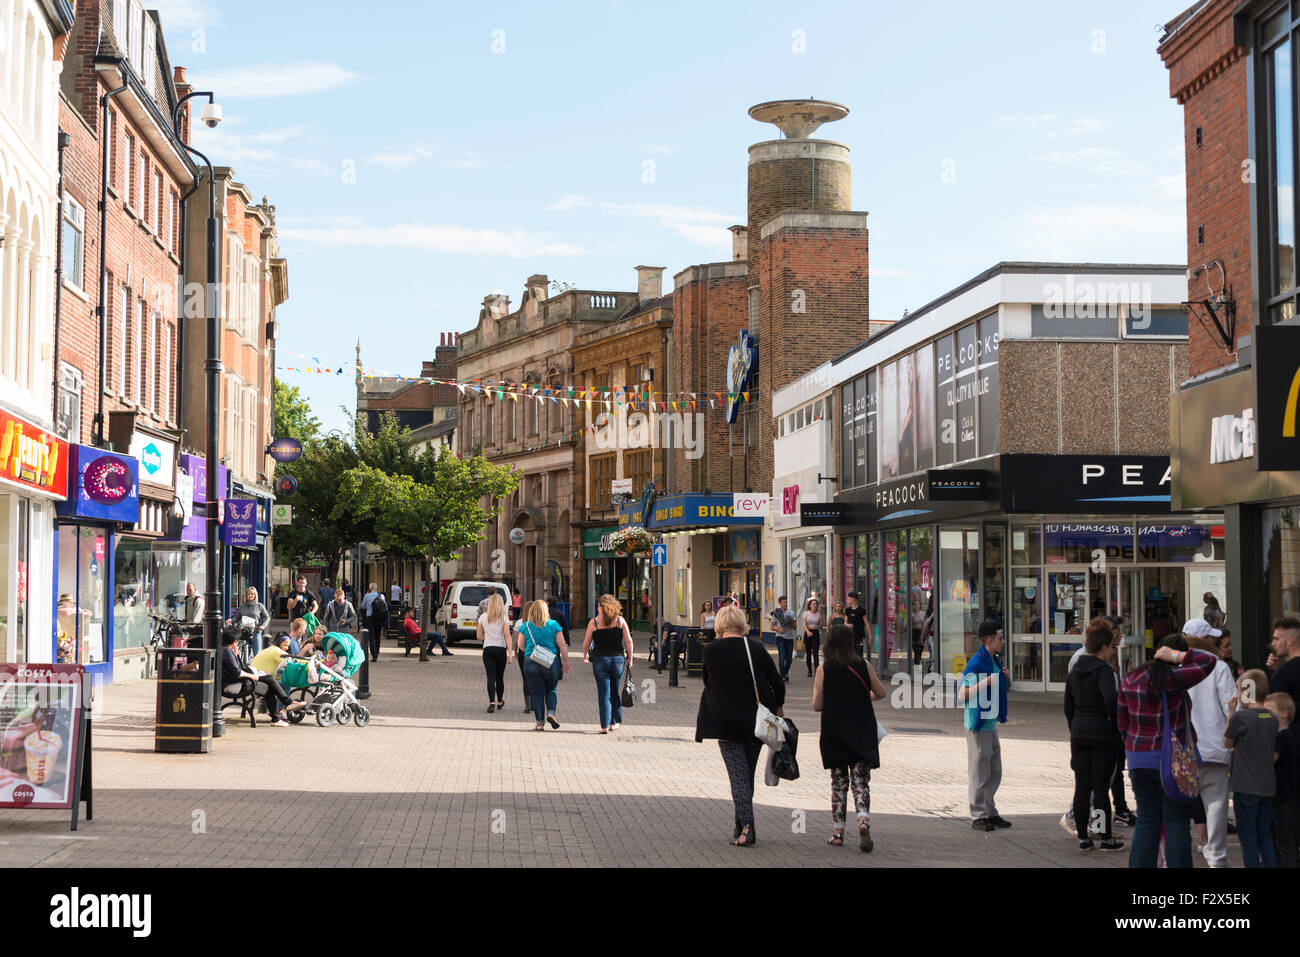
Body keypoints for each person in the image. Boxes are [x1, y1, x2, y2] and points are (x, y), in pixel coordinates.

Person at [1117, 635, 1217, 868]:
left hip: (1138, 758)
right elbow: (1208, 661)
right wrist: (1176, 656)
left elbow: (1122, 723)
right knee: (1177, 823)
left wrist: (1134, 748)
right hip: (1172, 762)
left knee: (1147, 820)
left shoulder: (1131, 678)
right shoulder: (1174, 678)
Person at [695, 604, 784, 848]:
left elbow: (707, 681)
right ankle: (740, 824)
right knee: (746, 776)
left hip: (725, 722)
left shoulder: (711, 651)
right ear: (741, 623)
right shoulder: (755, 648)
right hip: (755, 722)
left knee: (738, 777)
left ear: (720, 624)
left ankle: (747, 827)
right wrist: (778, 705)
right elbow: (777, 681)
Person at [813, 623, 884, 852]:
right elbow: (880, 692)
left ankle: (838, 832)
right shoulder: (863, 665)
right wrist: (862, 697)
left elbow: (817, 705)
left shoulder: (824, 669)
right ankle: (863, 820)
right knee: (861, 780)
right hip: (861, 728)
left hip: (835, 730)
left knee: (839, 781)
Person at [1064, 619, 1124, 852]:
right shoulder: (1104, 671)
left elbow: (1068, 705)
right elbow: (1111, 699)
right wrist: (1113, 723)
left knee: (1082, 786)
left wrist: (1074, 728)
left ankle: (1082, 837)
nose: (1112, 651)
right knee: (1100, 787)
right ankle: (1104, 835)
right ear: (1104, 647)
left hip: (1079, 731)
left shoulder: (1076, 670)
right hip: (1100, 733)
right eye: (1112, 647)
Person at [1184, 619, 1235, 868]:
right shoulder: (1220, 667)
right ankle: (1216, 857)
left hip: (1183, 748)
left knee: (1179, 805)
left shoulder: (1176, 665)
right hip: (1214, 745)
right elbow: (1230, 707)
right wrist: (1231, 737)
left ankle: (1178, 852)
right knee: (1216, 804)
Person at [959, 619, 1011, 832]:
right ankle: (979, 815)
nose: (1003, 641)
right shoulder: (977, 664)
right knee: (979, 771)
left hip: (989, 721)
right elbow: (961, 695)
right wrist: (985, 682)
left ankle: (989, 811)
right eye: (1000, 638)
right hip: (977, 724)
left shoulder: (994, 659)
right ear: (990, 640)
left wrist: (1001, 676)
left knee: (994, 770)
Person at [1226, 669, 1279, 868]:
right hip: (1267, 785)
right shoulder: (1272, 718)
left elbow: (1227, 742)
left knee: (1248, 837)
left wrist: (1231, 714)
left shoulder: (1242, 718)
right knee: (1264, 834)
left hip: (1245, 786)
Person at [582, 595, 634, 734]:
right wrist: (631, 658)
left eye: (599, 605)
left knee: (604, 694)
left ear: (602, 607)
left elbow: (586, 643)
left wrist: (585, 654)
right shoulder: (619, 621)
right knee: (614, 690)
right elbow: (628, 641)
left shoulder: (594, 623)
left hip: (600, 660)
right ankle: (614, 722)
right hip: (617, 660)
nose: (598, 607)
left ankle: (604, 726)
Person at [220, 625, 291, 725]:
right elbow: (238, 672)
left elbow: (241, 667)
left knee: (269, 683)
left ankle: (280, 712)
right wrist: (253, 676)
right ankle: (285, 706)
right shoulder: (227, 651)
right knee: (269, 681)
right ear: (233, 640)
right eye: (236, 641)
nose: (237, 643)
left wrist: (236, 655)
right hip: (235, 685)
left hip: (236, 683)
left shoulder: (226, 651)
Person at [517, 600, 569, 731]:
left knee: (537, 692)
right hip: (550, 661)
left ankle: (540, 723)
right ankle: (551, 713)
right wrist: (566, 662)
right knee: (551, 689)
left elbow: (520, 645)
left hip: (531, 661)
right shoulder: (553, 625)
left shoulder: (526, 626)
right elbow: (562, 645)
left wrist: (532, 652)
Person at [1266, 692, 1299, 868]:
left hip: (1284, 796)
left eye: (1269, 711)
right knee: (1279, 837)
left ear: (1284, 713)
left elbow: (1271, 758)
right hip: (1280, 795)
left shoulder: (1283, 736)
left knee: (1285, 840)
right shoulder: (1281, 736)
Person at [478, 594, 512, 713]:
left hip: (488, 648)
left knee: (490, 677)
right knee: (499, 677)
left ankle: (491, 702)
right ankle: (500, 701)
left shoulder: (483, 617)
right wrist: (510, 655)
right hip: (500, 649)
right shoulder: (504, 617)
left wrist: (487, 637)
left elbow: (478, 636)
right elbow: (507, 636)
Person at [1267, 617, 1300, 702]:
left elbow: (1275, 709)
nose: (1273, 644)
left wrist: (1278, 673)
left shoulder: (1283, 673)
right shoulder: (1283, 672)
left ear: (1290, 641)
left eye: (1276, 639)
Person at [770, 596, 797, 682]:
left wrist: (790, 622)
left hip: (789, 638)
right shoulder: (776, 613)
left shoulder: (791, 613)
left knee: (789, 659)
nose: (785, 604)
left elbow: (795, 627)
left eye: (786, 602)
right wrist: (778, 629)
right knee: (782, 657)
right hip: (780, 637)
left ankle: (785, 673)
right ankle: (782, 676)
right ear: (780, 603)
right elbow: (772, 627)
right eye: (783, 602)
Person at [366, 589, 388, 663]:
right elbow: (386, 608)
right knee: (377, 636)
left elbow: (362, 607)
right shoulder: (382, 596)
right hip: (379, 619)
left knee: (371, 637)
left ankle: (374, 655)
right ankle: (377, 652)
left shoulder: (367, 596)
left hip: (370, 619)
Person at [802, 598, 823, 678]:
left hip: (815, 633)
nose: (815, 605)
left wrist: (819, 624)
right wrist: (808, 631)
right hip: (807, 633)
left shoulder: (818, 614)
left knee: (815, 652)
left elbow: (820, 625)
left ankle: (816, 670)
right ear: (810, 605)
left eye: (816, 604)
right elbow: (804, 624)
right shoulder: (806, 613)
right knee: (808, 653)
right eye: (813, 604)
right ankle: (809, 670)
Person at [845, 592, 869, 657]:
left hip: (859, 635)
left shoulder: (861, 610)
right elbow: (845, 622)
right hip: (849, 635)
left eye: (848, 599)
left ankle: (859, 666)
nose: (847, 600)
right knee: (850, 653)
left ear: (853, 599)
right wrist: (848, 625)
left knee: (859, 653)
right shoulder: (847, 610)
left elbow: (866, 623)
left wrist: (870, 636)